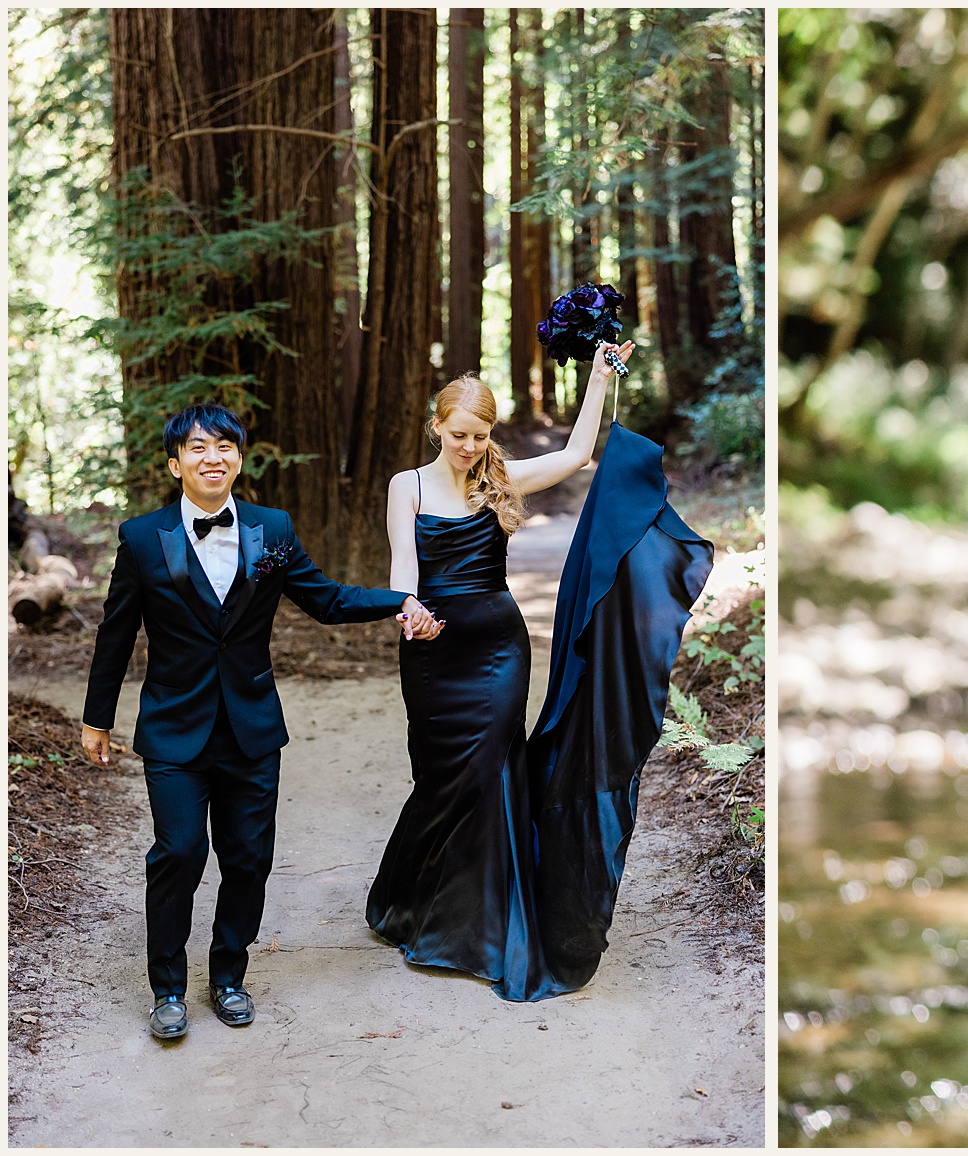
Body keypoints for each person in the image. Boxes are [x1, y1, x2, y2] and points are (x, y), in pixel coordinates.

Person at [81, 404, 443, 1041]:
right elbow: (116, 635)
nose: (212, 457)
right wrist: (96, 719)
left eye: (225, 447)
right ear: (175, 465)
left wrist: (400, 601)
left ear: (239, 459)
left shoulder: (271, 529)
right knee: (179, 852)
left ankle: (227, 977)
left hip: (251, 726)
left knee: (248, 858)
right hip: (173, 727)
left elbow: (326, 599)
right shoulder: (142, 538)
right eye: (198, 448)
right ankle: (167, 988)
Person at [366, 343, 713, 1003]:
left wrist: (599, 378)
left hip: (497, 649)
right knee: (442, 778)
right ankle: (408, 898)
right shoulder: (405, 487)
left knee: (494, 768)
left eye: (481, 435)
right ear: (436, 427)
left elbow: (579, 454)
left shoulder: (498, 479)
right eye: (459, 435)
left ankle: (491, 928)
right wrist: (406, 609)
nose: (469, 447)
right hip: (433, 653)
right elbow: (402, 567)